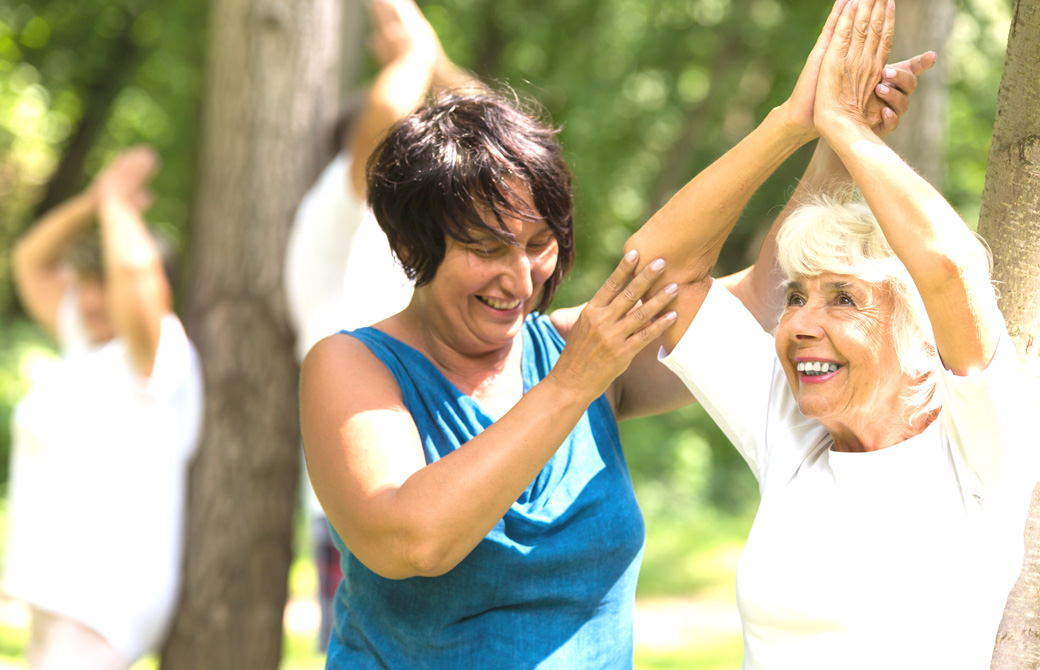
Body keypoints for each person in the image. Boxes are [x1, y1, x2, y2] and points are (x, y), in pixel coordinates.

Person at [298, 10, 926, 665]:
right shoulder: (352, 365)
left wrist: (824, 132)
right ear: (410, 246)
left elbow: (759, 299)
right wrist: (573, 383)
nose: (520, 278)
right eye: (486, 249)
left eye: (538, 244)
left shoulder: (577, 346)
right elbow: (411, 540)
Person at [626, 0, 1039, 667]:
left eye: (844, 298)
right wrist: (792, 123)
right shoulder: (793, 429)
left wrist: (849, 129)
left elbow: (950, 267)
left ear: (922, 339)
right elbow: (654, 274)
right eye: (796, 297)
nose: (799, 325)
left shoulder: (981, 450)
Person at [283, 0, 476, 649]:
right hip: (370, 496)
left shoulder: (411, 228)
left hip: (443, 487)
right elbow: (387, 117)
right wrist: (413, 53)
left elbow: (499, 139)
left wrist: (435, 60)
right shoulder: (335, 211)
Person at [3, 147, 203, 669]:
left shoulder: (157, 351)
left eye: (104, 285)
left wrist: (116, 206)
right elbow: (30, 259)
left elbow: (135, 271)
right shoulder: (87, 345)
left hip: (105, 597)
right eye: (86, 284)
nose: (91, 300)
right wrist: (95, 200)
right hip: (63, 594)